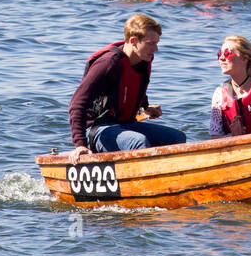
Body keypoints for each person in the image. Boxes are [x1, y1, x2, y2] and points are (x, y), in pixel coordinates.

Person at [67, 13, 186, 161]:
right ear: (133, 41)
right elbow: (76, 104)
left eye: (157, 43)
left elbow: (131, 86)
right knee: (138, 142)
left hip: (126, 124)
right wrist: (80, 145)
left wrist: (146, 107)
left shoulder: (143, 59)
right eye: (151, 43)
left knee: (177, 137)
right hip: (98, 130)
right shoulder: (108, 64)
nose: (156, 49)